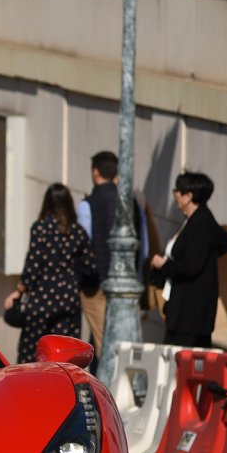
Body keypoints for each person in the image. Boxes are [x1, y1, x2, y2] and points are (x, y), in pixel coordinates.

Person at [5, 183, 97, 364]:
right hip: (69, 300)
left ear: (47, 203)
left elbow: (32, 265)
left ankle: (31, 389)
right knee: (67, 354)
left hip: (42, 299)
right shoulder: (79, 232)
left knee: (33, 352)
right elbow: (90, 266)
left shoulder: (40, 228)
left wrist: (19, 290)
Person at [76, 151, 147, 357]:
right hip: (130, 283)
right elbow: (144, 247)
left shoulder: (87, 205)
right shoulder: (132, 203)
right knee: (123, 341)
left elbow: (82, 244)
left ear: (95, 172)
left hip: (96, 285)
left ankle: (108, 387)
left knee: (105, 345)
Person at [149, 172, 227, 348]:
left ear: (188, 196)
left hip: (191, 311)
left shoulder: (201, 221)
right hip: (187, 307)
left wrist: (164, 264)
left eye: (177, 191)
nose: (175, 195)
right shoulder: (193, 219)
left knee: (183, 359)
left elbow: (191, 266)